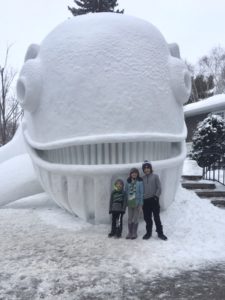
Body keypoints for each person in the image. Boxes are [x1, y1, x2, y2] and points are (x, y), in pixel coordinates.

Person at [142, 160, 168, 241]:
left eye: (148, 168)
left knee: (156, 217)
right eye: (145, 168)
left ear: (150, 168)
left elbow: (159, 187)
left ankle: (160, 233)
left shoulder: (155, 176)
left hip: (154, 200)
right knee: (147, 218)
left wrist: (156, 196)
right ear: (143, 169)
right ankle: (148, 233)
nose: (146, 169)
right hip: (145, 201)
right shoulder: (142, 178)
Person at [125, 168, 143, 239]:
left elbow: (141, 193)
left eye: (135, 173)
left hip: (137, 203)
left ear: (137, 174)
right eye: (133, 173)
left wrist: (141, 204)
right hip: (130, 203)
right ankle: (130, 232)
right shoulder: (128, 181)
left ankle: (134, 233)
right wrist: (126, 202)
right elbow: (126, 191)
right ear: (130, 174)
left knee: (135, 218)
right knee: (130, 218)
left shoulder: (140, 181)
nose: (134, 174)